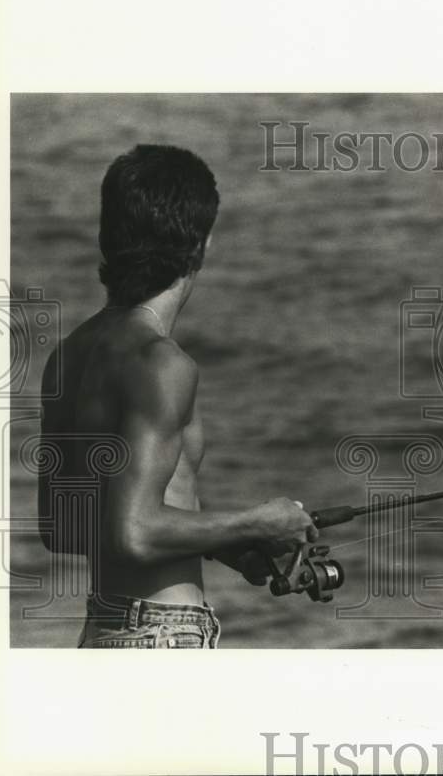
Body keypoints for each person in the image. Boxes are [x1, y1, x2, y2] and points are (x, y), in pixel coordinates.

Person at [38, 144, 315, 649]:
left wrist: (231, 545)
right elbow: (136, 531)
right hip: (162, 635)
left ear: (108, 236)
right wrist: (262, 520)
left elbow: (62, 528)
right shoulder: (163, 364)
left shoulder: (69, 355)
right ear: (202, 245)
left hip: (104, 628)